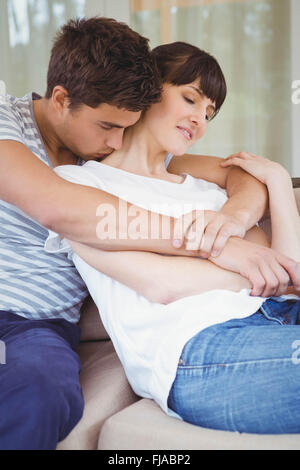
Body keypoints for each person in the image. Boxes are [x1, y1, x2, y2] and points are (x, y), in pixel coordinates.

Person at [0, 17, 279, 450]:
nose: (116, 142)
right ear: (60, 99)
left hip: (40, 328)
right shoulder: (9, 129)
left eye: (125, 128)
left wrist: (234, 221)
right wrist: (211, 247)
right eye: (109, 127)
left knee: (42, 387)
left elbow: (234, 173)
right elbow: (59, 207)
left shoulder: (107, 149)